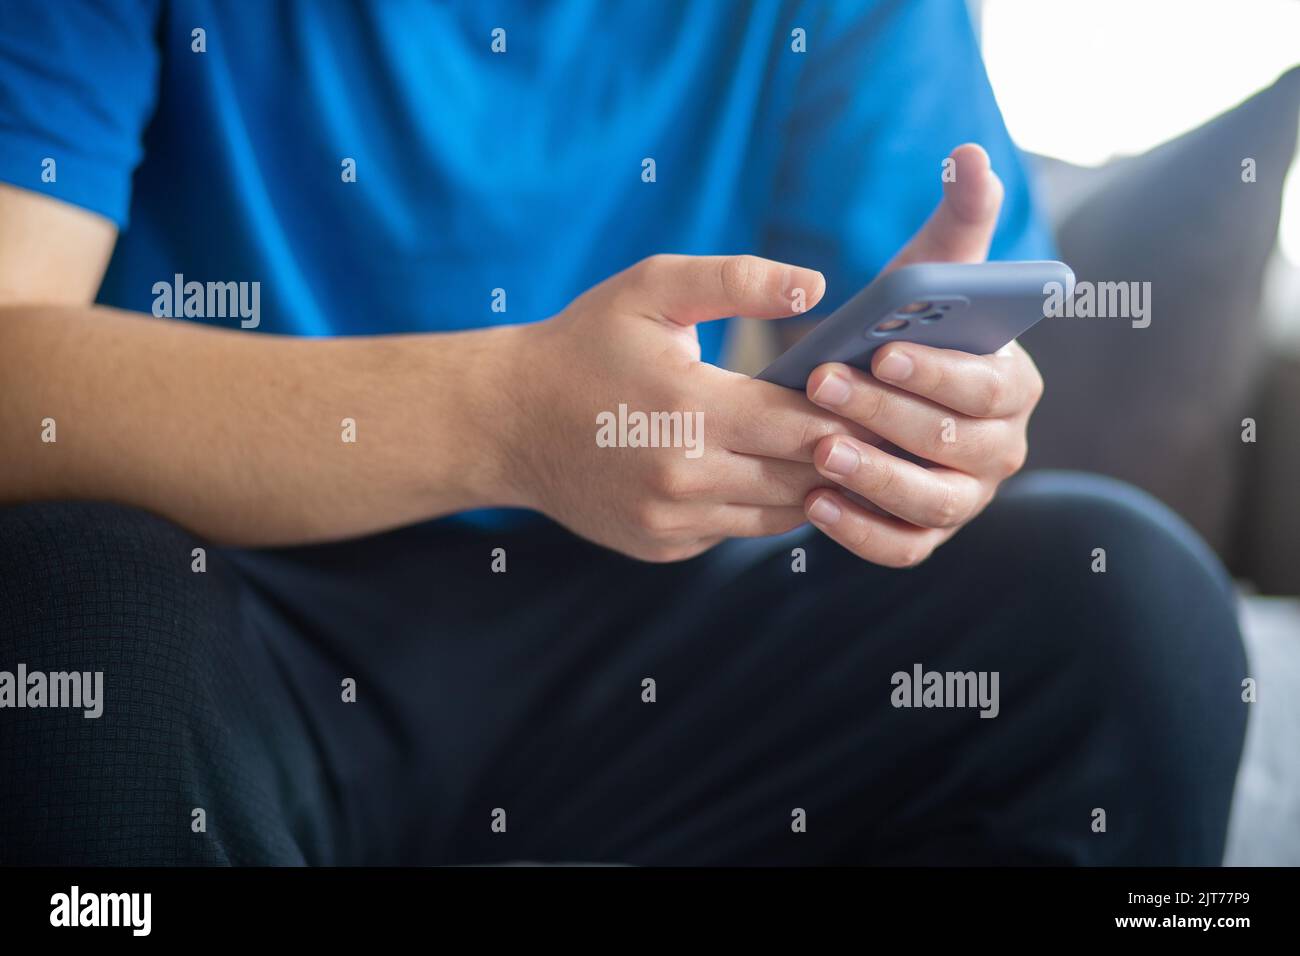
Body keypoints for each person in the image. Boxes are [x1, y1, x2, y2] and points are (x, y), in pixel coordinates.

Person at [0, 0, 1245, 865]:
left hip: (644, 623)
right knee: (71, 619)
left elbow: (950, 331)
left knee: (1116, 602)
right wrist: (499, 418)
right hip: (225, 595)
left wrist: (943, 417)